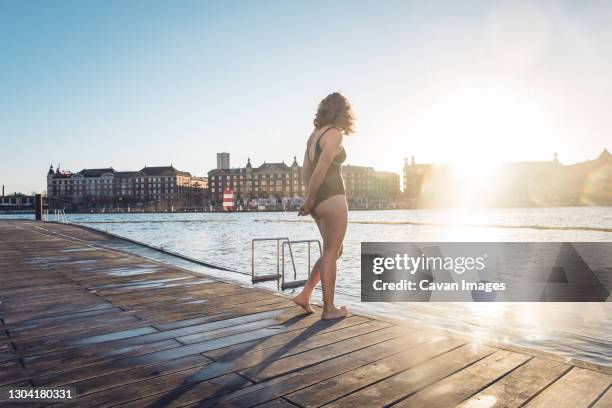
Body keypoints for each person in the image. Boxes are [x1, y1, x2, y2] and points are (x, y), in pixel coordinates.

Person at [294, 92, 355, 320]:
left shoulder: (313, 135)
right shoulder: (335, 134)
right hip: (332, 198)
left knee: (334, 250)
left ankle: (305, 295)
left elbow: (306, 170)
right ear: (343, 112)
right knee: (331, 252)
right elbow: (322, 167)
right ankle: (329, 310)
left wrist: (311, 199)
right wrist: (309, 199)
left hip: (319, 201)